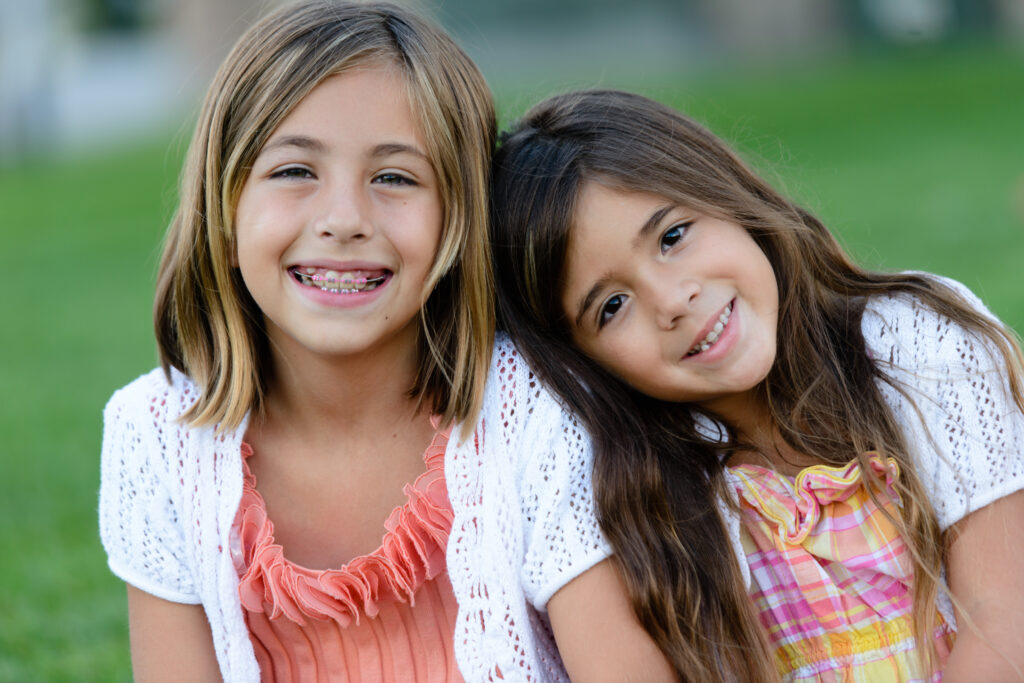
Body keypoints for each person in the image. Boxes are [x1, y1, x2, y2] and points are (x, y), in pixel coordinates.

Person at [99, 4, 653, 681]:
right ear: (224, 204)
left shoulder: (534, 415)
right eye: (295, 171)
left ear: (459, 218)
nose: (344, 219)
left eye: (395, 177)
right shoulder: (156, 434)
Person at [490, 89, 1024, 681]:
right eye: (612, 306)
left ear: (726, 196)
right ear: (583, 361)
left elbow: (1003, 616)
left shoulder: (913, 341)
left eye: (672, 237)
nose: (672, 301)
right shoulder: (644, 493)